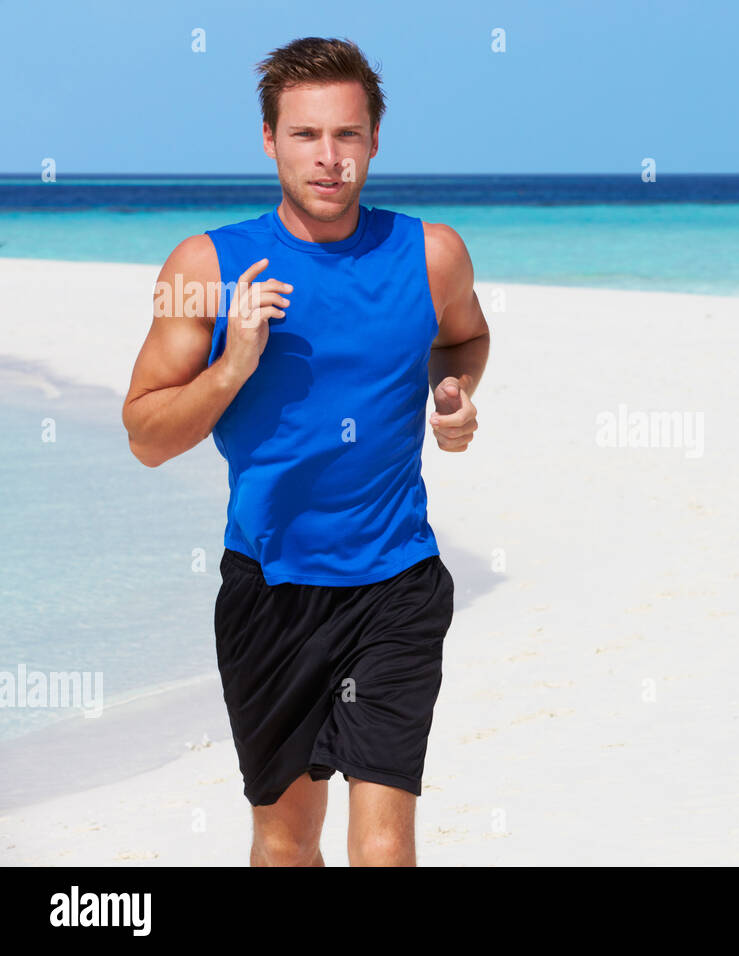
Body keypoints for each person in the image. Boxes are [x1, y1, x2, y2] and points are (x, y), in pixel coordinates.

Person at [120, 36, 490, 866]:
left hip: (397, 582)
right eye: (306, 136)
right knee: (286, 843)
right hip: (270, 592)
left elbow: (464, 338)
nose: (329, 159)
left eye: (347, 136)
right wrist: (234, 363)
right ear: (267, 140)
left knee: (385, 843)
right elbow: (146, 435)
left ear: (374, 141)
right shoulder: (206, 266)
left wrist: (454, 394)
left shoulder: (432, 254)